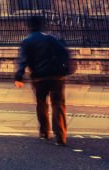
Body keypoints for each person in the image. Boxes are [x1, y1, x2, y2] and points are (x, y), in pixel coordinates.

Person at [15, 15, 73, 144]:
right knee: (58, 104)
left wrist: (19, 76)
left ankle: (45, 131)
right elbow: (64, 53)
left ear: (29, 26)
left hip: (39, 78)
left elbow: (22, 60)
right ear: (42, 25)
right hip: (57, 76)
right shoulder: (52, 38)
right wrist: (67, 69)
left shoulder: (27, 41)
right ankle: (61, 135)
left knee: (41, 103)